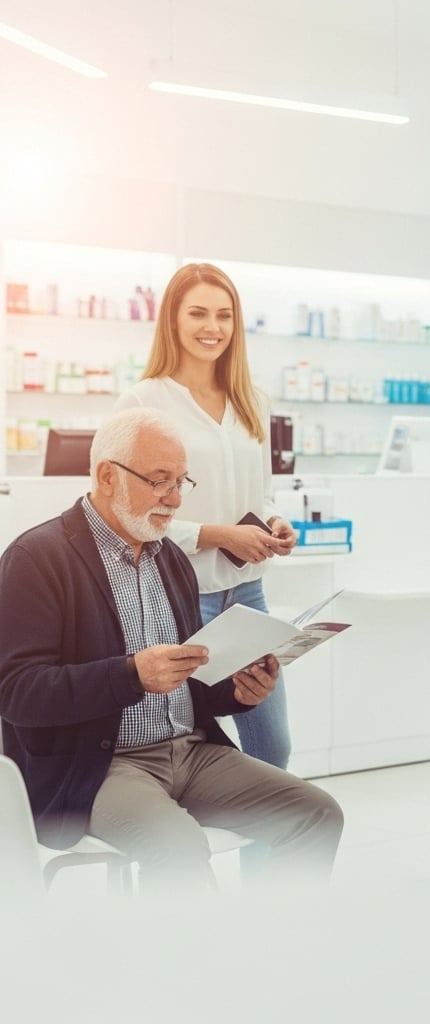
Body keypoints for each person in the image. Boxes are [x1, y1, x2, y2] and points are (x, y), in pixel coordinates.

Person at [0, 408, 343, 893]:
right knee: (178, 849)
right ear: (106, 476)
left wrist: (238, 692)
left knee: (317, 814)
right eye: (160, 482)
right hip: (98, 766)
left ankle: (277, 949)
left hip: (192, 752)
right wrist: (131, 675)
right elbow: (16, 693)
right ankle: (181, 969)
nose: (176, 499)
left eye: (182, 482)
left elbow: (191, 685)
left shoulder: (172, 559)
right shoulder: (35, 559)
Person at [115, 263, 298, 771]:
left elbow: (261, 495)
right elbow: (126, 514)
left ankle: (276, 849)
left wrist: (274, 523)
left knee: (273, 747)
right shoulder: (143, 401)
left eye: (224, 315)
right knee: (189, 749)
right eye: (197, 313)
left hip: (250, 594)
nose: (211, 327)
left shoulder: (252, 401)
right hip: (181, 598)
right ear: (172, 319)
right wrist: (218, 536)